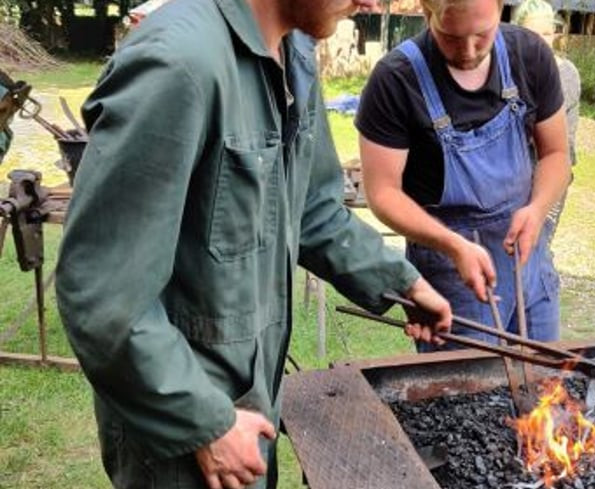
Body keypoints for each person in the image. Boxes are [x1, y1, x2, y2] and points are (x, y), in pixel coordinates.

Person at [54, 1, 452, 488]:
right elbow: (104, 292)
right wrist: (204, 424)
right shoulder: (177, 63)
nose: (370, 2)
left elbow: (312, 209)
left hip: (249, 407)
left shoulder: (296, 52)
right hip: (181, 435)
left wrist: (401, 284)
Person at [355, 0, 570, 350]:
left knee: (545, 390)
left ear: (501, 8)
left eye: (482, 35)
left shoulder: (529, 56)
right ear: (428, 14)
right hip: (451, 272)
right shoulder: (395, 80)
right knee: (465, 400)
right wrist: (454, 246)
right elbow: (382, 193)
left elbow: (556, 154)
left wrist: (537, 208)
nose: (468, 51)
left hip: (527, 263)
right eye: (452, 37)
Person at [512, 0, 581, 243]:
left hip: (549, 178)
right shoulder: (507, 70)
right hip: (510, 178)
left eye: (547, 34)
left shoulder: (565, 74)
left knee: (539, 245)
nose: (541, 41)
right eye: (533, 34)